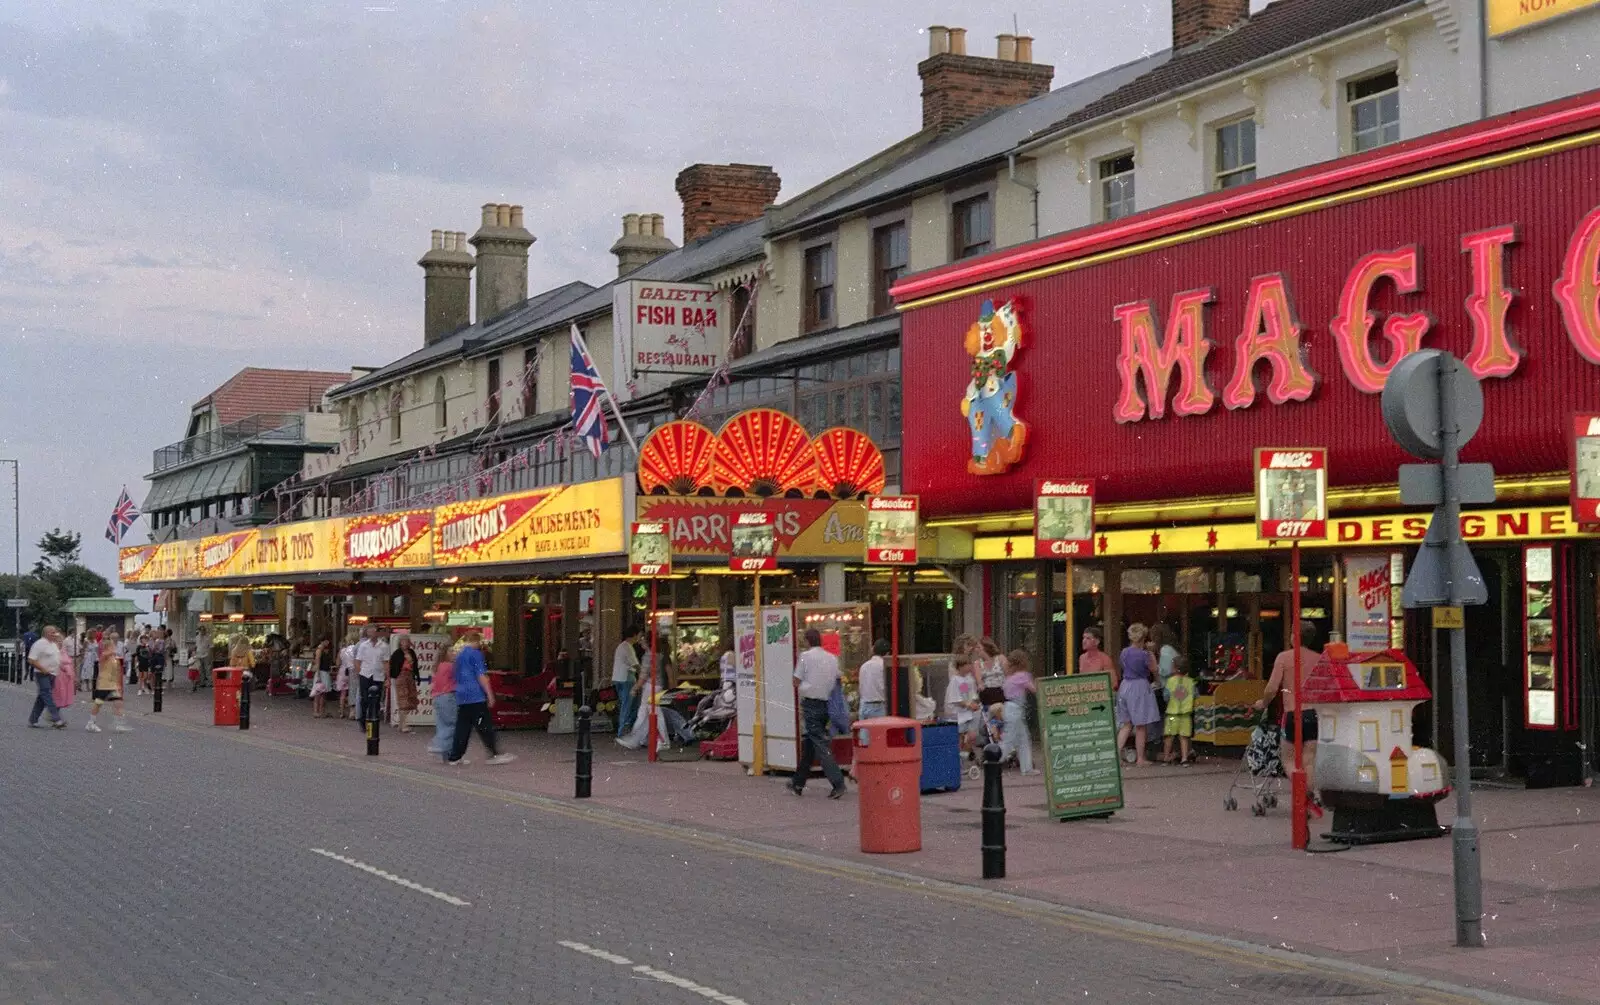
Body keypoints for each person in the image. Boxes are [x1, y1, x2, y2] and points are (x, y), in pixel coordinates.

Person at [1255, 619, 1323, 799]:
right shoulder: (1318, 659)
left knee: (1288, 760)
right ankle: (1309, 794)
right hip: (1313, 714)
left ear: (1295, 636)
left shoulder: (1283, 658)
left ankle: (1302, 792)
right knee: (1308, 759)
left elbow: (1271, 688)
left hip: (1292, 713)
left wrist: (1264, 702)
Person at [789, 628, 846, 799]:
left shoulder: (805, 657)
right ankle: (797, 782)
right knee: (811, 742)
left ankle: (838, 783)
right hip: (826, 704)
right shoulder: (832, 658)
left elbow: (796, 680)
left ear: (807, 641)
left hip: (811, 703)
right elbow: (838, 680)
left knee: (819, 743)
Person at [447, 631, 514, 766]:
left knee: (463, 727)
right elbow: (481, 676)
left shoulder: (459, 656)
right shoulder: (476, 655)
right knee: (485, 725)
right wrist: (489, 694)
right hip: (475, 694)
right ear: (476, 641)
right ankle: (494, 753)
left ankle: (455, 756)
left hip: (462, 694)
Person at [1115, 623, 1162, 767]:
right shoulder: (1145, 654)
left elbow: (1122, 666)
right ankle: (1140, 758)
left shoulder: (1124, 652)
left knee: (1126, 724)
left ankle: (1116, 756)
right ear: (1143, 638)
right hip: (1139, 687)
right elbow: (1154, 669)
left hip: (1125, 685)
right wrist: (1152, 653)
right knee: (1141, 725)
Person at [1001, 649, 1039, 774]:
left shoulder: (1009, 677)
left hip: (1008, 707)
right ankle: (994, 761)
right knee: (1009, 739)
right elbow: (1034, 689)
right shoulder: (1023, 676)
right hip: (1016, 709)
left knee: (1023, 739)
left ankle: (1027, 768)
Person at [85, 632, 131, 733]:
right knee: (98, 703)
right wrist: (110, 649)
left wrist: (118, 684)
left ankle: (118, 724)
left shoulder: (114, 658)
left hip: (112, 684)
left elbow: (116, 671)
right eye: (112, 646)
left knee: (118, 702)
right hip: (104, 684)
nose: (114, 647)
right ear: (108, 647)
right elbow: (104, 656)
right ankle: (91, 723)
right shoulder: (104, 656)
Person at [26, 625, 67, 728]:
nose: (55, 634)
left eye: (55, 632)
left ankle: (33, 720)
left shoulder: (53, 644)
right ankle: (57, 719)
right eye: (52, 633)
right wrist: (43, 669)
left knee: (42, 697)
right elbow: (31, 659)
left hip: (53, 674)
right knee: (47, 694)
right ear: (46, 633)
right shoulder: (39, 644)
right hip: (42, 673)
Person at [944, 650, 982, 761]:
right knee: (959, 737)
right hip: (959, 714)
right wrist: (968, 704)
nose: (970, 667)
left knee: (972, 735)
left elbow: (967, 694)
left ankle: (965, 756)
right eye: (967, 665)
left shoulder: (968, 679)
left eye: (970, 664)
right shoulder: (955, 680)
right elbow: (956, 698)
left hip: (969, 713)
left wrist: (974, 701)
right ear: (960, 667)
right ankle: (959, 759)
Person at [1161, 654, 1197, 766]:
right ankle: (1184, 758)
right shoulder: (1191, 682)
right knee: (1184, 737)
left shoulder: (1170, 681)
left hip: (1172, 714)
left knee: (1169, 737)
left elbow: (1165, 696)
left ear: (1175, 668)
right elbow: (1195, 695)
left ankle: (1166, 758)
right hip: (1186, 715)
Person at [354, 626, 390, 726]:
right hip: (365, 674)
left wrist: (387, 677)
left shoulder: (384, 646)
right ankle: (363, 721)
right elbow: (357, 661)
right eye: (370, 632)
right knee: (364, 699)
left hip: (378, 675)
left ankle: (373, 720)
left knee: (376, 700)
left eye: (374, 631)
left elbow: (386, 662)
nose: (372, 633)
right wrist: (360, 673)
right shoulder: (363, 645)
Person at [611, 624, 641, 738]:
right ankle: (622, 730)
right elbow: (635, 664)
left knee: (627, 704)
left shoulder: (622, 646)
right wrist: (645, 674)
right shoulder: (627, 647)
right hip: (627, 679)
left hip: (619, 678)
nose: (639, 637)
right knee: (628, 705)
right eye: (639, 635)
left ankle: (626, 728)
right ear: (634, 635)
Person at [427, 647, 458, 760]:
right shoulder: (450, 666)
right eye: (451, 651)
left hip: (437, 697)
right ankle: (438, 745)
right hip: (447, 696)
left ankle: (447, 754)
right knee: (452, 724)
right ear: (445, 654)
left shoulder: (438, 666)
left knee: (442, 725)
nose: (454, 653)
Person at [389, 635, 419, 733]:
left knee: (410, 699)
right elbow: (392, 666)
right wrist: (393, 676)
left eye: (407, 641)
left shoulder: (412, 652)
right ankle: (404, 724)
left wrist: (417, 677)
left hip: (410, 676)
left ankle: (402, 723)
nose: (405, 643)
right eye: (403, 641)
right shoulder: (397, 654)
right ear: (400, 643)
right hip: (400, 676)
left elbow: (415, 666)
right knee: (403, 699)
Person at [856, 638, 890, 719]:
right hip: (879, 706)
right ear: (888, 653)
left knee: (864, 731)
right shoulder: (885, 667)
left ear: (873, 650)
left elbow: (861, 687)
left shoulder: (864, 666)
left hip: (864, 705)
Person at [976, 636, 1006, 709]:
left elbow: (1008, 675)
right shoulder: (977, 663)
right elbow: (979, 682)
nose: (976, 650)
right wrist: (980, 685)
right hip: (987, 693)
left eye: (978, 647)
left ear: (986, 647)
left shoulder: (1000, 658)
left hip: (1001, 691)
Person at [309, 637, 333, 718]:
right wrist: (318, 674)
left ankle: (321, 711)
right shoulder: (319, 651)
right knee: (319, 693)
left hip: (324, 672)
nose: (327, 643)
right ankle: (316, 711)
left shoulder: (323, 650)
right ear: (323, 641)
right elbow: (317, 663)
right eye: (326, 641)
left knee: (322, 693)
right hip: (321, 672)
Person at [336, 631, 358, 719]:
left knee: (343, 693)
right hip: (354, 671)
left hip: (343, 672)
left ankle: (341, 711)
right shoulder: (355, 649)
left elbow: (337, 663)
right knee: (354, 690)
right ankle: (353, 711)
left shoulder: (342, 651)